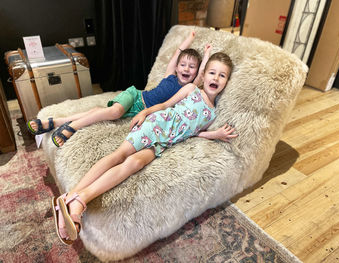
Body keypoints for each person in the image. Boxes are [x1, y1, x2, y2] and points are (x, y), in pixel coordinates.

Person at [52, 52, 238, 245]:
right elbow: (165, 104)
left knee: (135, 163)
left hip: (166, 142)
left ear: (227, 82)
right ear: (204, 74)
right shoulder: (192, 89)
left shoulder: (212, 114)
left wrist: (215, 135)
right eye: (212, 73)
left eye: (222, 75)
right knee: (120, 155)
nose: (215, 78)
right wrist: (145, 112)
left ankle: (71, 199)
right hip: (157, 124)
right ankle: (77, 200)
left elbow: (194, 133)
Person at [27, 31, 211, 147]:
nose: (186, 69)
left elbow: (203, 74)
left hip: (140, 111)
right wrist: (190, 37)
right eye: (183, 65)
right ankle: (72, 127)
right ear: (177, 66)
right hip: (135, 96)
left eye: (192, 66)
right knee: (114, 112)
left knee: (100, 112)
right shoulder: (170, 75)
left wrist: (208, 53)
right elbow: (177, 53)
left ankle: (55, 122)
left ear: (196, 72)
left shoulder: (190, 88)